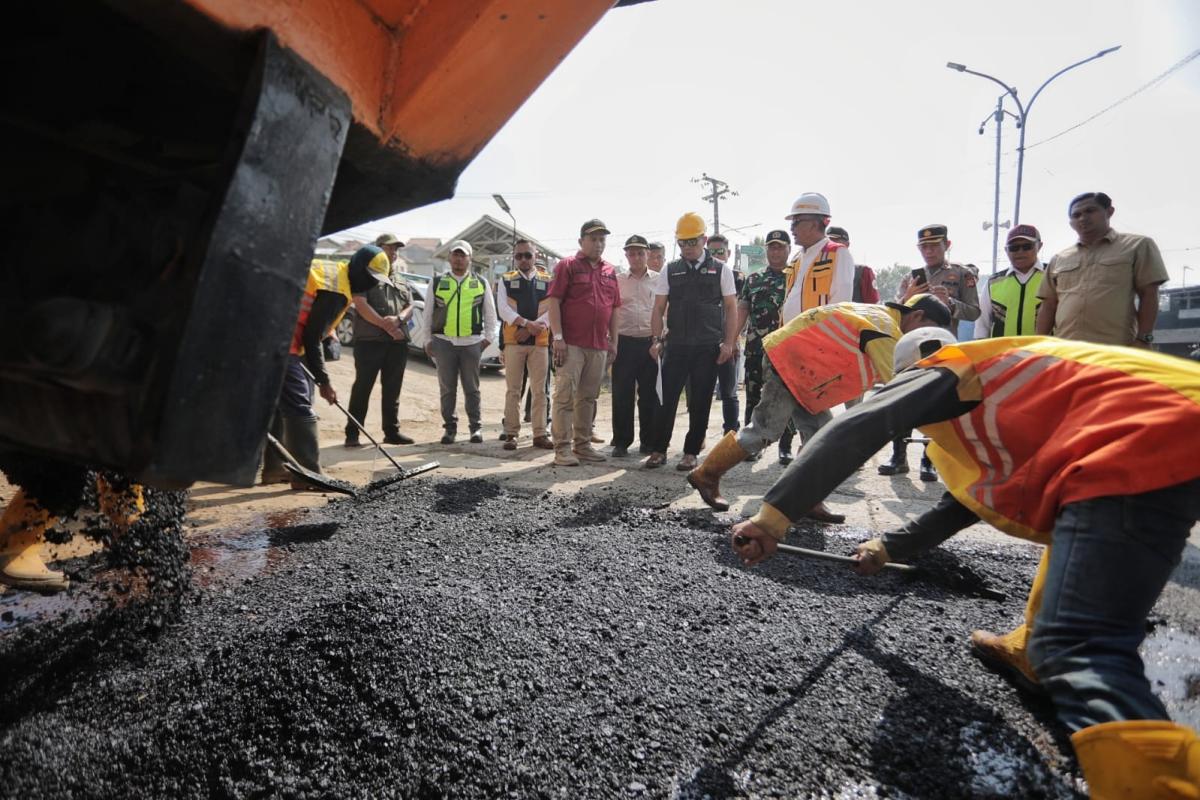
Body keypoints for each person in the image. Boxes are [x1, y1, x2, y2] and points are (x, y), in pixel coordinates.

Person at [731, 330, 1200, 798]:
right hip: (1171, 428)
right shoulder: (1005, 388)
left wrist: (773, 518)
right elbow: (961, 505)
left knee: (1081, 644)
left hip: (1141, 438)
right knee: (1073, 537)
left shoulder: (947, 368)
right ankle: (1030, 650)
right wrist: (886, 549)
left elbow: (857, 428)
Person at [688, 294, 951, 514]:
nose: (921, 341)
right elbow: (899, 385)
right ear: (916, 316)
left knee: (821, 437)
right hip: (790, 363)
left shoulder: (879, 317)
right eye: (925, 332)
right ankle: (707, 474)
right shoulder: (885, 328)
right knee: (765, 429)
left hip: (804, 369)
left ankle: (807, 500)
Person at [882, 224, 980, 481]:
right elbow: (895, 311)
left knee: (937, 405)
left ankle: (930, 460)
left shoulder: (961, 274)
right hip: (910, 349)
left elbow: (974, 311)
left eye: (934, 245)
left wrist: (950, 302)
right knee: (902, 401)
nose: (929, 251)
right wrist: (909, 298)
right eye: (924, 246)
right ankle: (898, 456)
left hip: (944, 348)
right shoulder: (911, 277)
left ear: (947, 245)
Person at [643, 213, 738, 470]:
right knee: (666, 400)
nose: (687, 248)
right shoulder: (670, 270)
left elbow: (731, 308)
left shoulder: (721, 269)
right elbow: (658, 307)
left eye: (692, 242)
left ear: (704, 239)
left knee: (700, 401)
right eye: (682, 243)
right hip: (676, 345)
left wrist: (728, 343)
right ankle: (658, 450)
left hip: (707, 347)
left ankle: (691, 451)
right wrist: (655, 340)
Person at [261, 258, 353, 486]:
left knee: (280, 406)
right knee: (299, 406)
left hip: (276, 337)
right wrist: (324, 381)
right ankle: (309, 476)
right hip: (283, 342)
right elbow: (312, 338)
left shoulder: (329, 273)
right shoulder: (335, 287)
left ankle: (277, 469)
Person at [1036, 191, 1169, 347]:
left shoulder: (1137, 246)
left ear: (1109, 212)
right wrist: (1040, 344)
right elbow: (1049, 305)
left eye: (1090, 211)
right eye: (1076, 215)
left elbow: (1149, 294)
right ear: (1070, 222)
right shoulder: (1059, 259)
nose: (1083, 218)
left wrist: (1144, 339)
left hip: (1116, 349)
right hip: (1067, 351)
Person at [546, 219, 621, 466]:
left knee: (588, 398)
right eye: (593, 239)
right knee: (565, 397)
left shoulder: (610, 271)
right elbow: (554, 301)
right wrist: (558, 338)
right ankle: (562, 449)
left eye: (602, 239)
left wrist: (614, 342)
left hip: (598, 345)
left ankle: (583, 445)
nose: (599, 244)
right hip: (572, 344)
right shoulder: (567, 266)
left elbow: (615, 309)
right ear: (581, 241)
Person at [418, 240, 497, 445]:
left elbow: (490, 314)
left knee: (472, 388)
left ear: (470, 258)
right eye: (455, 255)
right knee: (447, 388)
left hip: (472, 344)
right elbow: (427, 314)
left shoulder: (480, 282)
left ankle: (475, 428)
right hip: (444, 342)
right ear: (450, 257)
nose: (459, 259)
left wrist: (487, 339)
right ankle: (450, 429)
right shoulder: (437, 282)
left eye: (463, 255)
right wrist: (427, 339)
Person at [344, 237, 415, 447]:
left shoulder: (400, 278)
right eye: (389, 248)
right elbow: (360, 304)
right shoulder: (364, 274)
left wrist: (399, 319)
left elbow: (410, 306)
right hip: (370, 341)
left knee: (393, 389)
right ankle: (352, 433)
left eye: (396, 249)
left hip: (397, 343)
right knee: (362, 387)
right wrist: (388, 327)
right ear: (376, 250)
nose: (393, 252)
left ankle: (391, 432)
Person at [737, 229, 793, 464]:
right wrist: (731, 340)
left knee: (787, 397)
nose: (775, 251)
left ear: (789, 249)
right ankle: (752, 445)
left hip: (788, 349)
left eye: (780, 247)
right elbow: (742, 310)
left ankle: (785, 446)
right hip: (756, 348)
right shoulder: (754, 279)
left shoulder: (797, 277)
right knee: (753, 395)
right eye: (771, 247)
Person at [496, 239, 554, 451]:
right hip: (514, 342)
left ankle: (540, 433)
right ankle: (511, 432)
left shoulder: (548, 280)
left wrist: (535, 327)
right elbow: (502, 309)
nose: (523, 259)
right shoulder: (506, 280)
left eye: (527, 255)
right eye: (519, 255)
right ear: (514, 257)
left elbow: (554, 309)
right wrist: (525, 324)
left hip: (540, 342)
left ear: (535, 255)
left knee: (540, 390)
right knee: (513, 389)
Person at [611, 234, 660, 457]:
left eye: (641, 252)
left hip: (650, 344)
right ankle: (621, 441)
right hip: (624, 343)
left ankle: (648, 442)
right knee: (622, 394)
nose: (636, 257)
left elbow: (665, 313)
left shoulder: (660, 280)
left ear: (648, 254)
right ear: (626, 255)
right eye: (632, 253)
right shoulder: (617, 280)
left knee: (649, 395)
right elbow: (611, 311)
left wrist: (660, 341)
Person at [779, 193, 855, 324]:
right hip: (790, 338)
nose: (791, 228)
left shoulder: (837, 253)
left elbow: (840, 306)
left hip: (818, 340)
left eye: (796, 222)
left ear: (813, 224)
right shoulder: (797, 258)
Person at [975, 225, 1046, 340]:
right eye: (1014, 248)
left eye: (1027, 246)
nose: (1020, 251)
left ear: (1039, 246)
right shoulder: (993, 282)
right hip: (1003, 355)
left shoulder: (1053, 277)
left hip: (1043, 354)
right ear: (1006, 250)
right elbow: (982, 326)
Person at [706, 233, 744, 436]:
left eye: (720, 251)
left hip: (729, 341)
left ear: (728, 253)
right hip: (705, 341)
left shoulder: (738, 278)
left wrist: (734, 340)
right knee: (702, 392)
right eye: (711, 252)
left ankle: (731, 434)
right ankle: (698, 434)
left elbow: (739, 310)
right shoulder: (701, 275)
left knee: (729, 392)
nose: (716, 255)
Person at [827, 226, 880, 304]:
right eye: (828, 243)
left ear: (847, 244)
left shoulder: (863, 272)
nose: (831, 246)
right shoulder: (811, 272)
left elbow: (873, 304)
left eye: (836, 242)